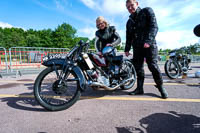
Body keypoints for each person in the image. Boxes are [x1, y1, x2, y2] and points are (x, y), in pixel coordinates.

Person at [124, 0, 168, 98]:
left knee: (153, 66)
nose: (130, 8)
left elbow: (154, 26)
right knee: (138, 68)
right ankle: (140, 88)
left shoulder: (147, 11)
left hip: (150, 45)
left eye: (131, 5)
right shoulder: (129, 22)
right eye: (128, 7)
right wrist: (127, 49)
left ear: (137, 4)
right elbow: (128, 36)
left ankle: (161, 87)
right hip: (137, 47)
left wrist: (148, 41)